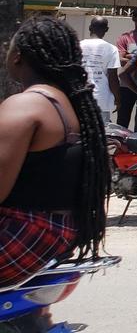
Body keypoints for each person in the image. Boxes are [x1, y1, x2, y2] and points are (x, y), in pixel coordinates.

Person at [0, 17, 109, 302]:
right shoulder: (70, 104)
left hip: (20, 235)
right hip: (57, 235)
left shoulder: (26, 104)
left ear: (18, 56)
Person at [80, 16, 121, 126]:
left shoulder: (78, 46)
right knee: (100, 135)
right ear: (106, 29)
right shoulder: (111, 49)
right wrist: (117, 98)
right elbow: (113, 77)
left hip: (81, 98)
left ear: (89, 28)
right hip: (101, 100)